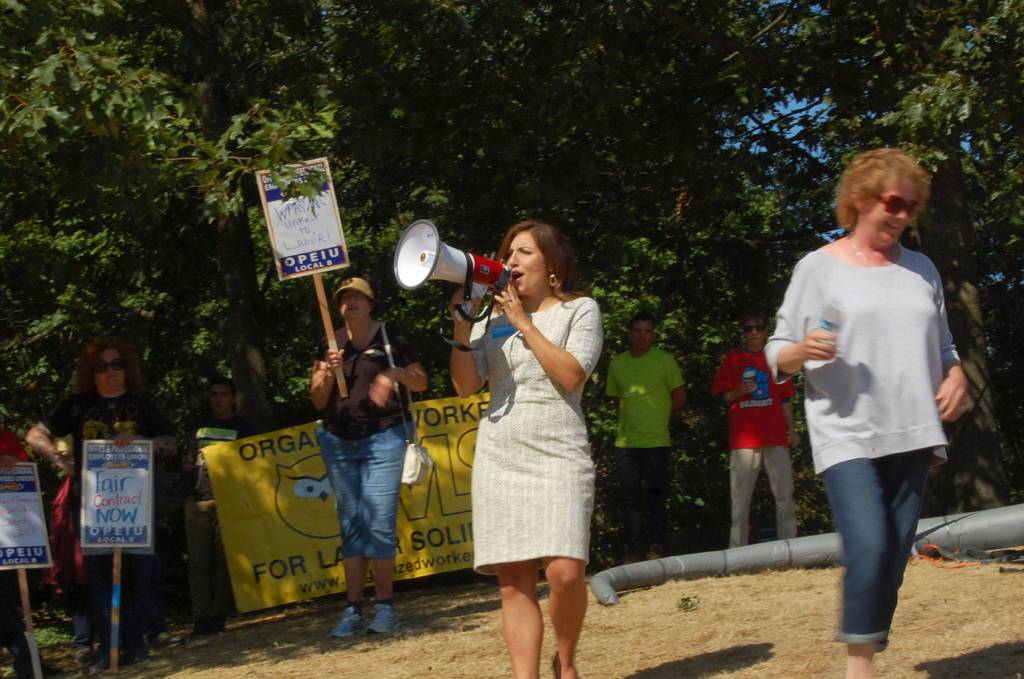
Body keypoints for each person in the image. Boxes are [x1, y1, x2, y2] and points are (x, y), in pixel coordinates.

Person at [764, 148, 967, 679]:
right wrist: (801, 351)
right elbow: (777, 351)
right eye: (894, 203)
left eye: (912, 207)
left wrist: (956, 373)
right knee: (870, 543)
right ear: (859, 199)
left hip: (915, 431)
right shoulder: (818, 267)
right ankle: (859, 672)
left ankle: (864, 658)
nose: (902, 215)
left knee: (893, 556)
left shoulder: (921, 270)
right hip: (846, 432)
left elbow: (945, 347)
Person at [449, 219, 603, 679]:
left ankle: (567, 661)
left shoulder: (581, 310)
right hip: (501, 452)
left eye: (524, 253)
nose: (511, 262)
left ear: (552, 264)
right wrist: (462, 329)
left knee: (566, 573)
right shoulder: (486, 320)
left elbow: (573, 375)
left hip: (558, 450)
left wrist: (523, 323)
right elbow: (465, 387)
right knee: (514, 583)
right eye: (508, 253)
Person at [26, 337, 177, 670]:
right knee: (98, 581)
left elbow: (171, 443)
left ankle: (135, 647)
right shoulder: (77, 405)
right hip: (93, 507)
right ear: (90, 372)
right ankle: (104, 650)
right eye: (103, 366)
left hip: (136, 506)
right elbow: (34, 434)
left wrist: (144, 443)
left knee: (138, 579)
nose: (111, 372)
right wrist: (57, 459)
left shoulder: (143, 404)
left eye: (117, 365)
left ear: (127, 368)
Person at [310, 276, 428, 638]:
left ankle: (386, 608)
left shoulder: (391, 336)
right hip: (338, 441)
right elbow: (317, 399)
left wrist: (391, 373)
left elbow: (421, 381)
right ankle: (353, 609)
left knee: (378, 521)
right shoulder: (330, 343)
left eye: (359, 296)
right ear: (338, 307)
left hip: (384, 437)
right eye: (345, 299)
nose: (352, 303)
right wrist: (328, 371)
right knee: (351, 526)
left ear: (371, 302)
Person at [712, 308, 799, 547]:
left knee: (785, 496)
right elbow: (720, 397)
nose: (753, 333)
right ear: (743, 332)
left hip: (775, 436)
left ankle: (791, 550)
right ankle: (738, 554)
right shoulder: (733, 359)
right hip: (744, 441)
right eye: (748, 328)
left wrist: (792, 430)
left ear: (766, 331)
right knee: (740, 500)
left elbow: (785, 400)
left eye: (758, 328)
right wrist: (738, 391)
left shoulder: (775, 359)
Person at [605, 311, 686, 562]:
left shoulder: (664, 360)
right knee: (630, 500)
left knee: (656, 497)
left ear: (654, 334)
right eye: (638, 331)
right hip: (626, 443)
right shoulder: (618, 363)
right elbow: (616, 400)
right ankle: (633, 550)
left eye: (647, 331)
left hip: (656, 442)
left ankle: (656, 547)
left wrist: (660, 415)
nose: (642, 336)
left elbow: (680, 397)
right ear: (630, 334)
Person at [181, 376, 257, 636]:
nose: (219, 398)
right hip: (199, 502)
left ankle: (219, 615)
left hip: (230, 503)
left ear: (233, 397)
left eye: (224, 394)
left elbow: (253, 467)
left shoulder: (245, 428)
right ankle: (201, 617)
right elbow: (188, 462)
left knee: (225, 563)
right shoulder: (199, 428)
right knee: (198, 563)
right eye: (214, 394)